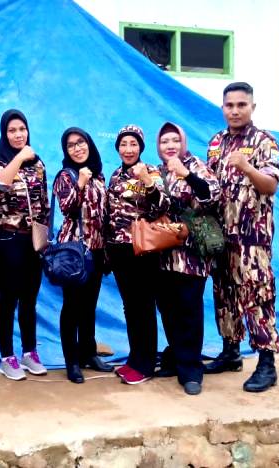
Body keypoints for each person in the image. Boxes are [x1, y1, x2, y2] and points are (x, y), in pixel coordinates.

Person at [205, 82, 279, 393]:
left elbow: (270, 186)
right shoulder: (216, 143)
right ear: (223, 107)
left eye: (241, 105)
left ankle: (266, 363)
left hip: (252, 239)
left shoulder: (264, 142)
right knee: (225, 295)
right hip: (221, 237)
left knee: (257, 296)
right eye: (229, 105)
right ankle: (230, 352)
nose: (235, 111)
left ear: (252, 107)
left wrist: (247, 167)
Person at [154, 122, 220, 395]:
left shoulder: (195, 165)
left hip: (191, 253)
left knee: (189, 310)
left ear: (183, 142)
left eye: (175, 140)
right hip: (164, 253)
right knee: (168, 308)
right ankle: (177, 358)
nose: (170, 146)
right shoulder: (157, 171)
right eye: (164, 141)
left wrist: (187, 175)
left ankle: (192, 370)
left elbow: (213, 196)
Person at [0, 109, 49, 380]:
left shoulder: (38, 163)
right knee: (8, 298)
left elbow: (44, 202)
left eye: (22, 129)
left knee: (29, 299)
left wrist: (44, 236)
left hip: (32, 240)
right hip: (8, 238)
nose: (18, 134)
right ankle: (7, 357)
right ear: (4, 134)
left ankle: (29, 352)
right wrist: (20, 157)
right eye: (12, 130)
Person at [105, 125, 169, 385]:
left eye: (133, 144)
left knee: (143, 306)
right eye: (123, 144)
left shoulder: (150, 171)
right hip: (118, 250)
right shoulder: (115, 175)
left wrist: (147, 181)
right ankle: (134, 359)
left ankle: (145, 364)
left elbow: (164, 205)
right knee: (130, 306)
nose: (128, 149)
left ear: (141, 147)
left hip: (142, 249)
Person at [53, 127, 114, 384]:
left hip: (97, 250)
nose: (77, 148)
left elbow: (105, 214)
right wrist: (80, 183)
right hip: (75, 252)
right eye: (71, 145)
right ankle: (72, 361)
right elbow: (67, 207)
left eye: (81, 142)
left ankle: (89, 353)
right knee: (72, 307)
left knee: (89, 305)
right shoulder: (65, 176)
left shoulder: (99, 176)